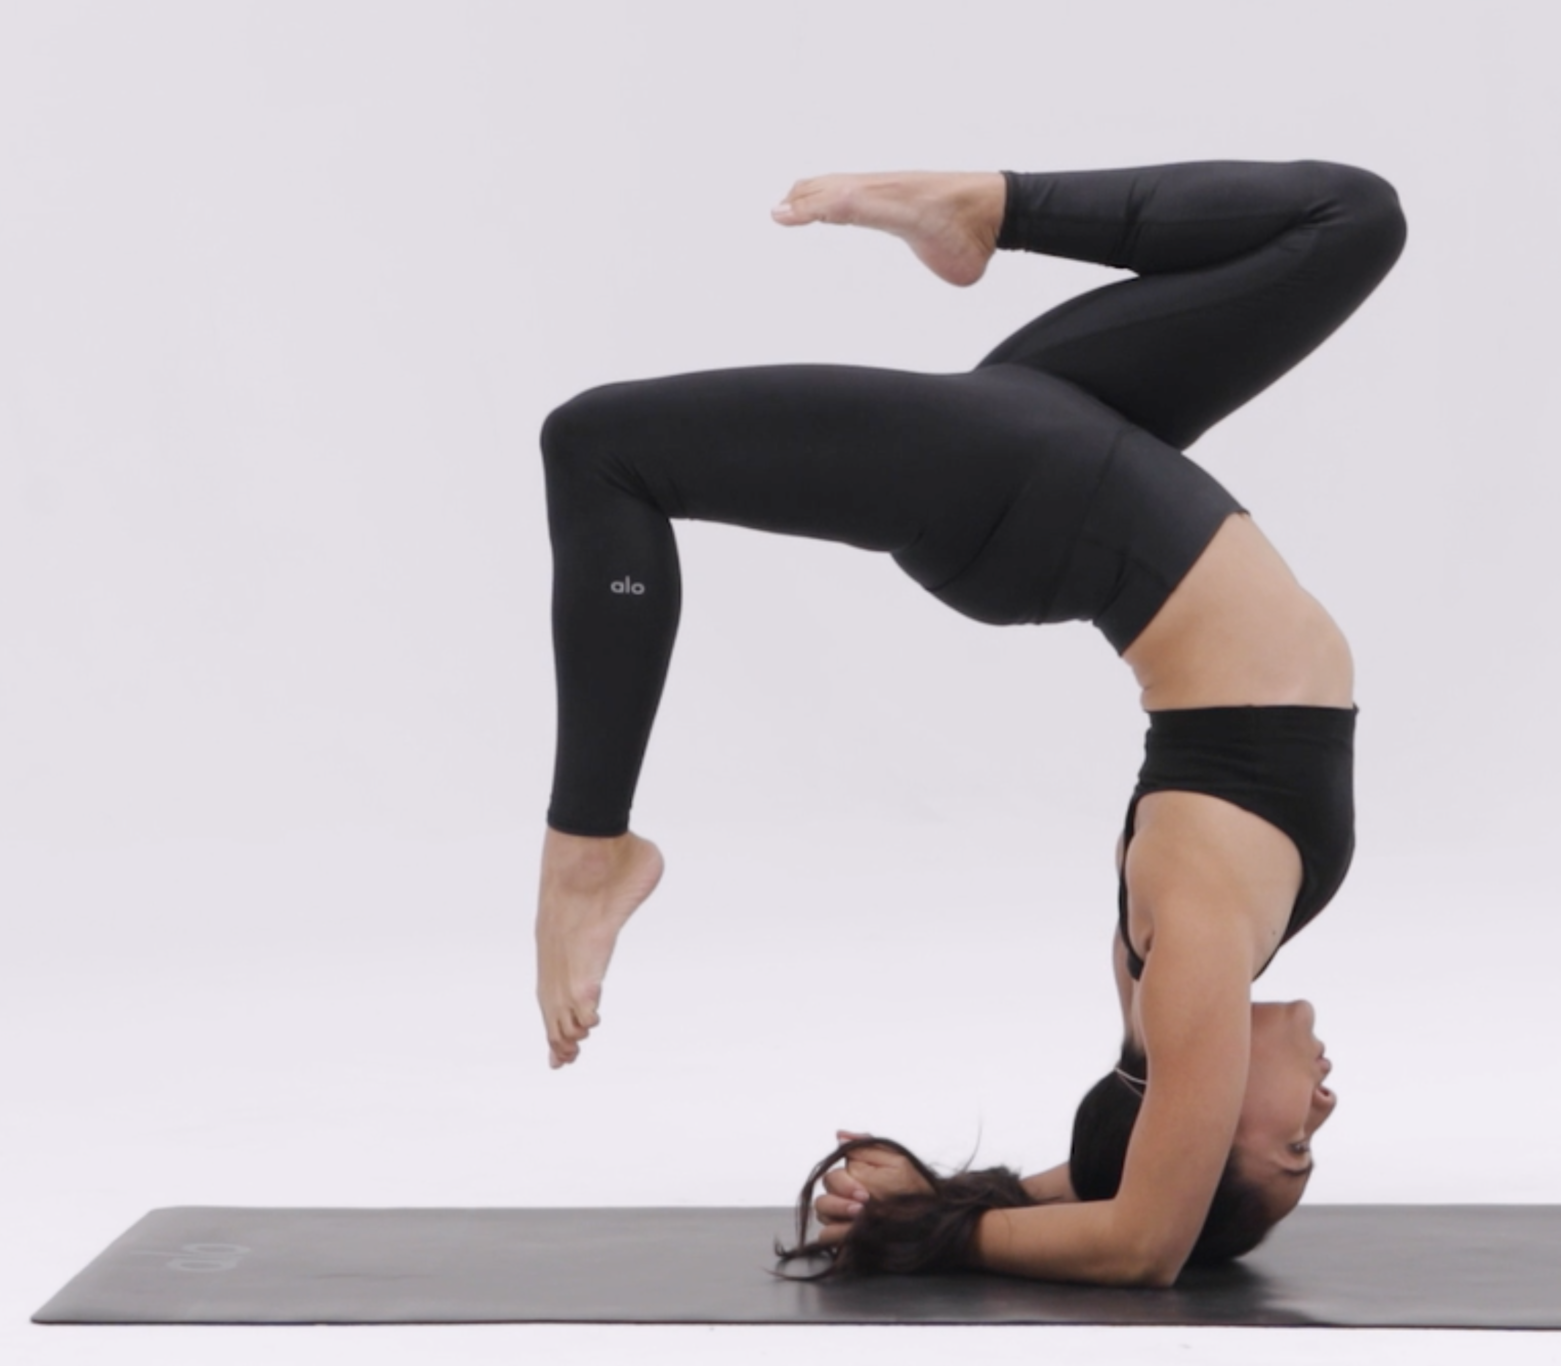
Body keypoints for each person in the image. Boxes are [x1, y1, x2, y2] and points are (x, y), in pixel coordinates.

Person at [532, 160, 1407, 1286]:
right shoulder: (1204, 958)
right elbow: (1103, 1187)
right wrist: (938, 1201)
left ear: (1205, 1106)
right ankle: (983, 210)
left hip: (1040, 497)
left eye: (1295, 1143)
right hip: (1065, 454)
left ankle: (590, 848)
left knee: (600, 447)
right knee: (1352, 223)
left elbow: (1143, 1237)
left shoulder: (1191, 959)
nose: (1325, 1105)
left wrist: (938, 1232)